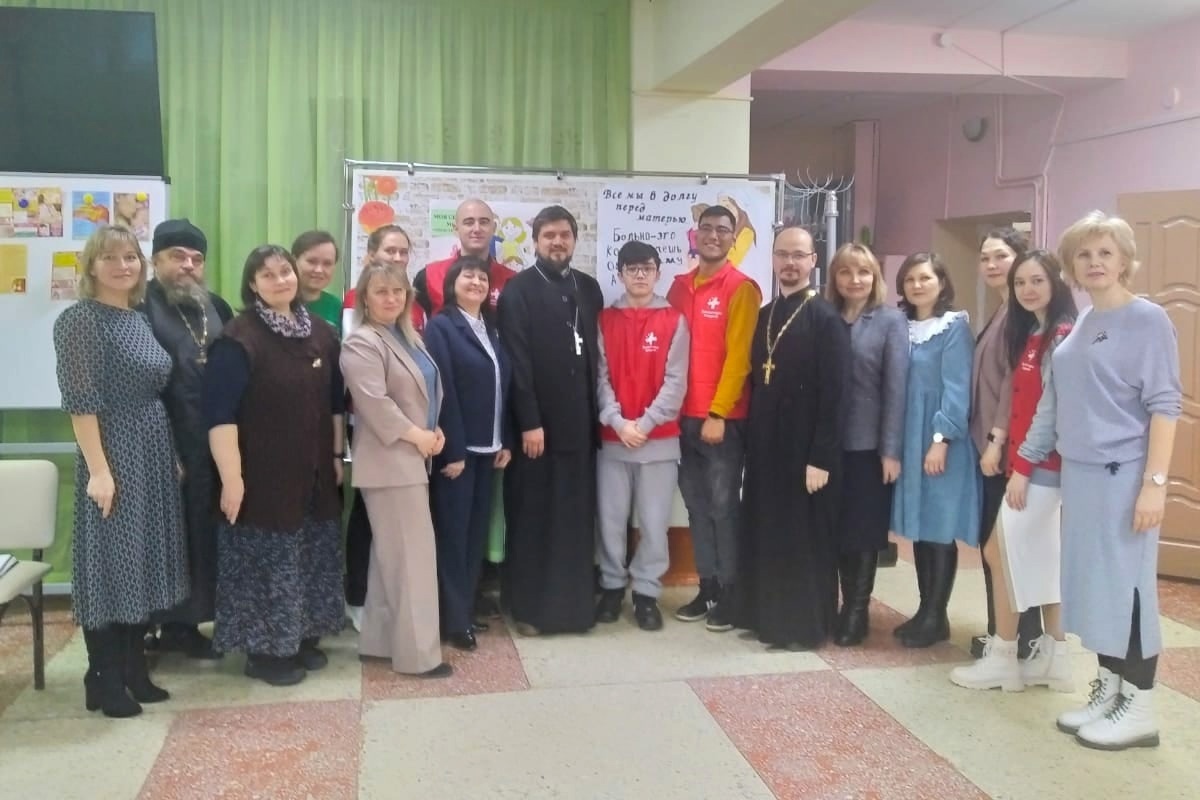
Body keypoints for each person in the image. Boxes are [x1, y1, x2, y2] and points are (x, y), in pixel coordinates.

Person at [1018, 212, 1181, 750]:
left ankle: (1140, 704)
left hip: (1124, 476)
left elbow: (1165, 405)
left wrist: (1155, 483)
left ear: (1125, 259)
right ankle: (1110, 688)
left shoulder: (1148, 319)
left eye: (1105, 253)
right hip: (1082, 476)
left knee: (1127, 590)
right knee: (1093, 589)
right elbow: (1059, 399)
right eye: (1084, 255)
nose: (1094, 263)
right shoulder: (1085, 321)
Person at [53, 224, 188, 718]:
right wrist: (99, 471)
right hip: (111, 451)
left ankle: (133, 669)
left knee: (142, 561)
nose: (122, 266)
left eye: (130, 257)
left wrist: (170, 455)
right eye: (110, 257)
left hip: (150, 449)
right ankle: (103, 677)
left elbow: (152, 391)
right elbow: (81, 402)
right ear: (91, 266)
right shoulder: (79, 321)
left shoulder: (136, 317)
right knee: (110, 564)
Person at [204, 245, 345, 686]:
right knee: (266, 562)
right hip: (260, 477)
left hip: (313, 473)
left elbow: (335, 403)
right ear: (252, 284)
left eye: (285, 271)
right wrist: (231, 479)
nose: (280, 280)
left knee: (309, 555)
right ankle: (264, 653)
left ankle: (300, 637)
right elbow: (220, 415)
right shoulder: (238, 339)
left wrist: (336, 456)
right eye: (268, 275)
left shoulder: (320, 332)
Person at [951, 249, 1076, 692]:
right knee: (1041, 559)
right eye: (1020, 282)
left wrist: (1021, 467)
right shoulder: (1035, 332)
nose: (1027, 289)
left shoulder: (1061, 336)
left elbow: (1051, 410)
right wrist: (1002, 441)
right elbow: (1017, 396)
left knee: (998, 553)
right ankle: (1055, 657)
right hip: (1030, 463)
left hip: (1043, 467)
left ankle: (1004, 657)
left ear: (1057, 282)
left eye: (1037, 280)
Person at [733, 227, 849, 650]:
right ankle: (763, 616)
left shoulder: (826, 319)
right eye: (783, 254)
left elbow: (836, 394)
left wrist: (821, 457)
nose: (790, 263)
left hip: (806, 451)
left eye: (799, 255)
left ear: (814, 261)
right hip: (766, 448)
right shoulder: (766, 314)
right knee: (766, 529)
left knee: (802, 538)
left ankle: (801, 626)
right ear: (773, 259)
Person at [340, 261, 452, 678]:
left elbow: (421, 394)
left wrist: (433, 428)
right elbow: (375, 403)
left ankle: (380, 642)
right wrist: (417, 435)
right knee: (412, 560)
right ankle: (418, 657)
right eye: (381, 291)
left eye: (398, 291)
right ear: (365, 299)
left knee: (390, 558)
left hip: (410, 456)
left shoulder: (407, 336)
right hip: (389, 462)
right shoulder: (361, 342)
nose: (391, 298)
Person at [496, 205, 603, 636]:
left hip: (581, 427)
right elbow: (517, 361)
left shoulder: (588, 288)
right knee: (535, 517)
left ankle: (573, 611)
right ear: (536, 241)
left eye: (564, 235)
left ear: (575, 239)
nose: (557, 242)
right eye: (549, 236)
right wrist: (529, 421)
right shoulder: (518, 290)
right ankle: (530, 611)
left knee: (575, 519)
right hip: (537, 430)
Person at [413, 199, 518, 624]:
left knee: (475, 534)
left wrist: (505, 439)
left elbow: (502, 387)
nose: (475, 281)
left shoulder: (491, 328)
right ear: (451, 284)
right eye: (467, 276)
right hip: (458, 454)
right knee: (454, 535)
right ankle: (452, 619)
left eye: (481, 277)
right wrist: (453, 450)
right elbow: (444, 392)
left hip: (487, 450)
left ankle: (466, 609)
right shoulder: (442, 327)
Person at [140, 219, 232, 660]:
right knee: (165, 537)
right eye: (177, 257)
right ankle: (149, 626)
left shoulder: (218, 306)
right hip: (163, 440)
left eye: (196, 259)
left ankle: (186, 625)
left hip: (211, 440)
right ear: (155, 260)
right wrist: (165, 449)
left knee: (202, 533)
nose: (188, 266)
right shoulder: (140, 306)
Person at [667, 204, 762, 631]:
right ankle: (706, 587)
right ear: (696, 234)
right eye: (706, 228)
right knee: (696, 506)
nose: (713, 235)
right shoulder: (678, 288)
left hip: (721, 420)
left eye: (723, 230)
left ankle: (731, 591)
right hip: (680, 420)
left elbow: (740, 359)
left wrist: (718, 412)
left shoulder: (741, 289)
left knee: (724, 508)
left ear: (732, 238)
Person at [593, 241, 689, 631]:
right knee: (610, 521)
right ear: (619, 274)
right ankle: (612, 586)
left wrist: (644, 425)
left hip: (658, 442)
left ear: (657, 273)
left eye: (646, 268)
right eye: (631, 268)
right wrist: (618, 423)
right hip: (613, 441)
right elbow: (599, 378)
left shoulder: (674, 320)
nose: (639, 275)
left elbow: (675, 383)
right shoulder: (604, 320)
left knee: (653, 523)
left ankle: (647, 593)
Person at [890, 253, 981, 648]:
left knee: (940, 529)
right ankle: (926, 611)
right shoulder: (900, 326)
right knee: (921, 528)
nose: (917, 285)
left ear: (941, 283)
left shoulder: (953, 328)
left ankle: (935, 615)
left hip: (940, 440)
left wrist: (940, 441)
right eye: (910, 279)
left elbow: (957, 390)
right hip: (908, 437)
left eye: (925, 278)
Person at [826, 242, 908, 647]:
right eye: (845, 272)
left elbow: (896, 389)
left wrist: (890, 450)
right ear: (835, 278)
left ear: (875, 277)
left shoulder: (890, 321)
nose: (854, 279)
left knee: (862, 530)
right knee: (836, 527)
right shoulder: (827, 317)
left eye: (863, 272)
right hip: (827, 445)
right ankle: (839, 606)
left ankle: (857, 611)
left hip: (868, 446)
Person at [969, 228, 1044, 659]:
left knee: (1008, 548)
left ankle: (1021, 638)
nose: (992, 264)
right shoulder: (1001, 311)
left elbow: (1014, 385)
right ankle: (1001, 632)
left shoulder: (1022, 317)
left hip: (1009, 451)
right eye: (985, 258)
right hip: (990, 448)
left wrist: (997, 441)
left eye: (1000, 256)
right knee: (994, 545)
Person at [342, 224, 414, 631]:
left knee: (397, 523)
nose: (397, 258)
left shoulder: (409, 304)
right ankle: (357, 596)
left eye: (404, 252)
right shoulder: (356, 303)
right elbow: (362, 376)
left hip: (411, 430)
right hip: (372, 424)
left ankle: (391, 603)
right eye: (390, 250)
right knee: (368, 515)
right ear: (370, 255)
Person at [413, 199, 517, 321]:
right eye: (469, 223)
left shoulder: (512, 280)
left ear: (493, 228)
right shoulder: (429, 276)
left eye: (484, 222)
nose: (477, 229)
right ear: (456, 229)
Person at [292, 230, 344, 330]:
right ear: (294, 261)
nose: (319, 270)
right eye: (312, 261)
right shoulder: (279, 304)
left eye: (327, 264)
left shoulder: (336, 306)